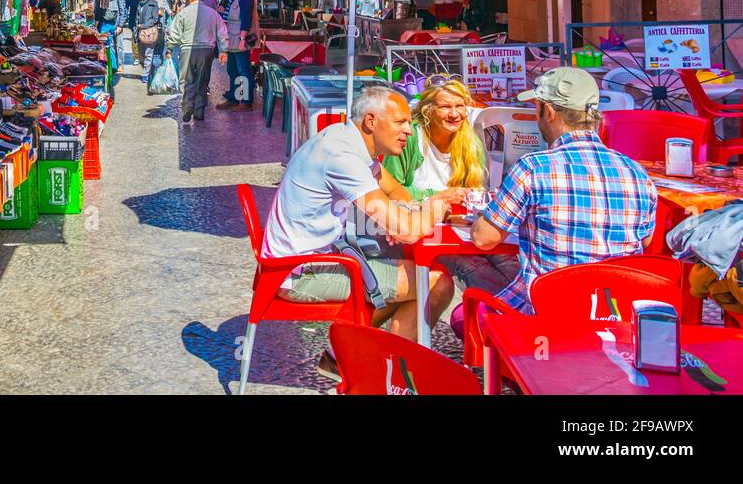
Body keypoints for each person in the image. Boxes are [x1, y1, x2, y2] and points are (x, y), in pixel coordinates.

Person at [263, 85, 463, 349]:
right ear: (371, 121)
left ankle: (347, 354)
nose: (408, 130)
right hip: (300, 273)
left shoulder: (344, 138)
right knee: (437, 283)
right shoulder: (343, 157)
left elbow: (394, 189)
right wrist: (436, 205)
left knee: (408, 264)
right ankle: (387, 370)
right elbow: (409, 231)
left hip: (306, 260)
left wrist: (401, 215)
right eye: (400, 122)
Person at [470, 67, 658, 312]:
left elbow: (484, 239)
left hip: (549, 312)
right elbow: (646, 241)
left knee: (466, 314)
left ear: (548, 112)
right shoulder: (635, 172)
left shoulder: (533, 168)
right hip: (614, 313)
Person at [382, 78, 518, 294]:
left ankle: (519, 308)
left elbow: (474, 192)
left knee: (509, 259)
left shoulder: (470, 141)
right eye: (445, 107)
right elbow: (390, 190)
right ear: (428, 110)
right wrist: (440, 196)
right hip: (422, 228)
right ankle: (504, 312)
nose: (454, 114)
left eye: (460, 106)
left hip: (460, 225)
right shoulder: (409, 140)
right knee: (471, 267)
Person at [166, 0, 223, 122]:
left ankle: (187, 108)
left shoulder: (183, 13)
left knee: (187, 80)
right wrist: (224, 50)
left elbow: (173, 32)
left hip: (187, 50)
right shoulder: (212, 13)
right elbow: (222, 31)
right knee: (202, 81)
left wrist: (169, 48)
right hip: (206, 50)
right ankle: (199, 110)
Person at [217, 0, 257, 110]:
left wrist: (242, 40)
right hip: (230, 38)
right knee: (232, 69)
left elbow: (246, 19)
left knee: (243, 70)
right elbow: (222, 6)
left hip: (239, 38)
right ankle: (234, 98)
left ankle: (246, 102)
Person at [136, 0, 165, 83]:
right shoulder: (140, 4)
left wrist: (144, 25)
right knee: (141, 54)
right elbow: (137, 17)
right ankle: (149, 70)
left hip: (150, 32)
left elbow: (154, 19)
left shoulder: (153, 4)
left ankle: (145, 75)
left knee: (148, 53)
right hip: (140, 32)